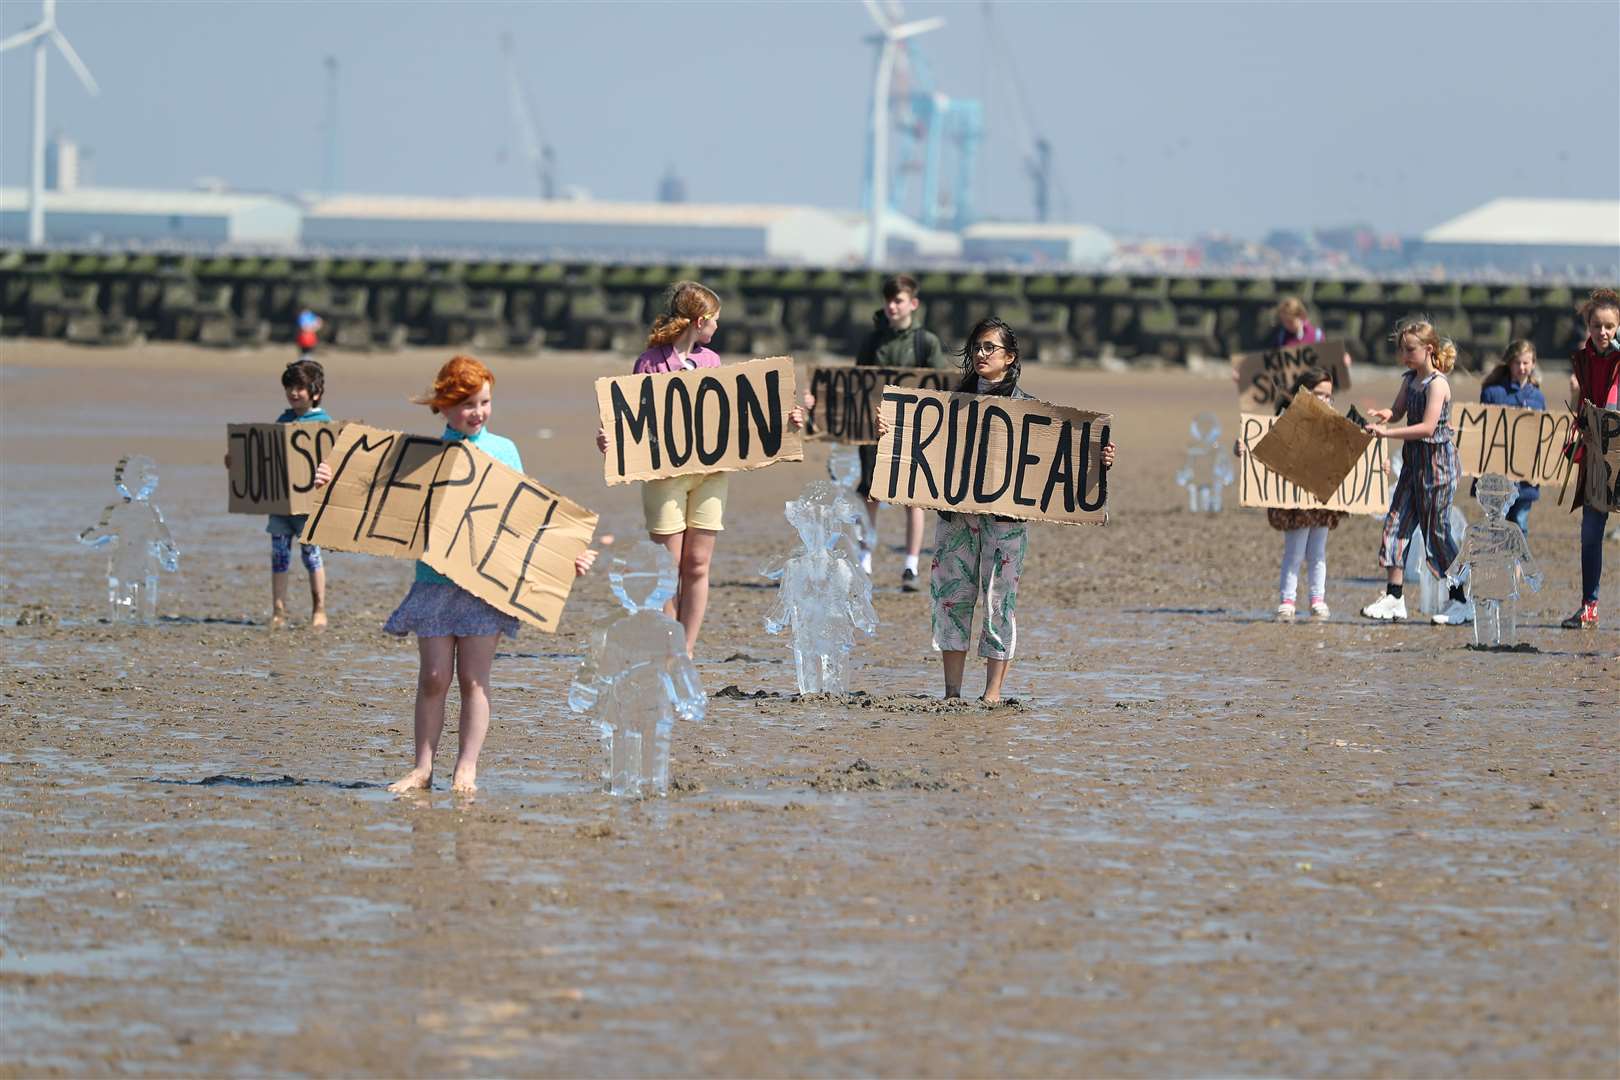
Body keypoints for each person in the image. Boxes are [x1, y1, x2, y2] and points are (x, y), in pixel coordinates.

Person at [319, 354, 596, 794]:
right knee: (433, 678)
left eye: (484, 402)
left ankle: (466, 768)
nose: (478, 412)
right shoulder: (423, 457)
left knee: (473, 679)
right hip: (434, 582)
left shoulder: (505, 450)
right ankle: (422, 768)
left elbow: (525, 517)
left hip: (485, 587)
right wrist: (329, 479)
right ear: (443, 408)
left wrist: (566, 557)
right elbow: (370, 493)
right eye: (466, 404)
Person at [879, 317, 1116, 702]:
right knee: (950, 599)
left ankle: (992, 693)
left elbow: (1061, 457)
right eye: (977, 346)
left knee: (997, 601)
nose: (980, 353)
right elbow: (922, 446)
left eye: (990, 347)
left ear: (1010, 357)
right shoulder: (951, 404)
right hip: (956, 518)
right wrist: (893, 432)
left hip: (1006, 522)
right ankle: (951, 693)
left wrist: (1098, 458)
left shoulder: (1028, 410)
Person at [595, 281, 807, 655]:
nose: (718, 328)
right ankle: (668, 640)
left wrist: (784, 420)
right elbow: (632, 420)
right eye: (716, 320)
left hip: (711, 473)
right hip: (664, 475)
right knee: (668, 566)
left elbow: (734, 416)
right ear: (700, 320)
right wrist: (610, 443)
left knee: (697, 564)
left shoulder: (711, 362)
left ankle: (687, 648)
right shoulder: (650, 363)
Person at [1359, 318, 1470, 625]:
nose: (1405, 355)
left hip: (1438, 469)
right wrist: (1387, 415)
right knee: (1395, 524)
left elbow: (1427, 427)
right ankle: (1394, 596)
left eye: (1410, 350)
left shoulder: (1438, 384)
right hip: (1413, 466)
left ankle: (1462, 601)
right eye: (1402, 350)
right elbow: (1398, 411)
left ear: (1428, 349)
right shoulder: (1409, 380)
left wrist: (1387, 435)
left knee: (1437, 535)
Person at [853, 273, 950, 590]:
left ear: (913, 303)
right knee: (870, 492)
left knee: (914, 498)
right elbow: (854, 383)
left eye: (899, 300)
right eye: (889, 301)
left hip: (915, 432)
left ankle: (911, 565)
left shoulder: (926, 342)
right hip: (875, 429)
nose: (892, 306)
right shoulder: (872, 341)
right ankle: (864, 559)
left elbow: (941, 385)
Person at [223, 358, 332, 629]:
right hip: (281, 506)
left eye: (300, 387)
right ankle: (278, 611)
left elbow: (332, 461)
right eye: (289, 387)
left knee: (312, 556)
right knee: (279, 557)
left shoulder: (325, 424)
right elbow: (266, 458)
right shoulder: (282, 420)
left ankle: (319, 609)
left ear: (315, 392)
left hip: (309, 508)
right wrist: (237, 462)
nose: (294, 393)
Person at [1238, 368, 1347, 622]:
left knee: (1318, 551)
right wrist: (1243, 446)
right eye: (1318, 394)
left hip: (1322, 499)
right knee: (1295, 550)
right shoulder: (1286, 420)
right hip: (1295, 499)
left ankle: (1317, 600)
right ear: (1303, 393)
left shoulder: (1336, 424)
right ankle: (1287, 601)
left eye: (1328, 396)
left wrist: (1380, 466)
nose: (1324, 400)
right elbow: (1261, 446)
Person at [1561, 287, 1620, 630]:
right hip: (1596, 455)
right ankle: (1590, 605)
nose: (1603, 332)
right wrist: (1578, 428)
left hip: (1618, 448)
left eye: (1610, 326)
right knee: (1590, 533)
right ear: (1588, 325)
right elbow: (1584, 402)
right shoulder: (1582, 359)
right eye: (1597, 325)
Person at [1479, 340, 1546, 538]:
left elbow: (1543, 435)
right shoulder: (1492, 393)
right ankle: (1500, 567)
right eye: (1517, 363)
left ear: (1533, 364)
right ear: (1509, 363)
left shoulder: (1538, 397)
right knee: (1496, 526)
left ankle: (1517, 569)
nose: (1522, 368)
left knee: (1520, 524)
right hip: (1497, 475)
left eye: (1526, 363)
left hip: (1526, 478)